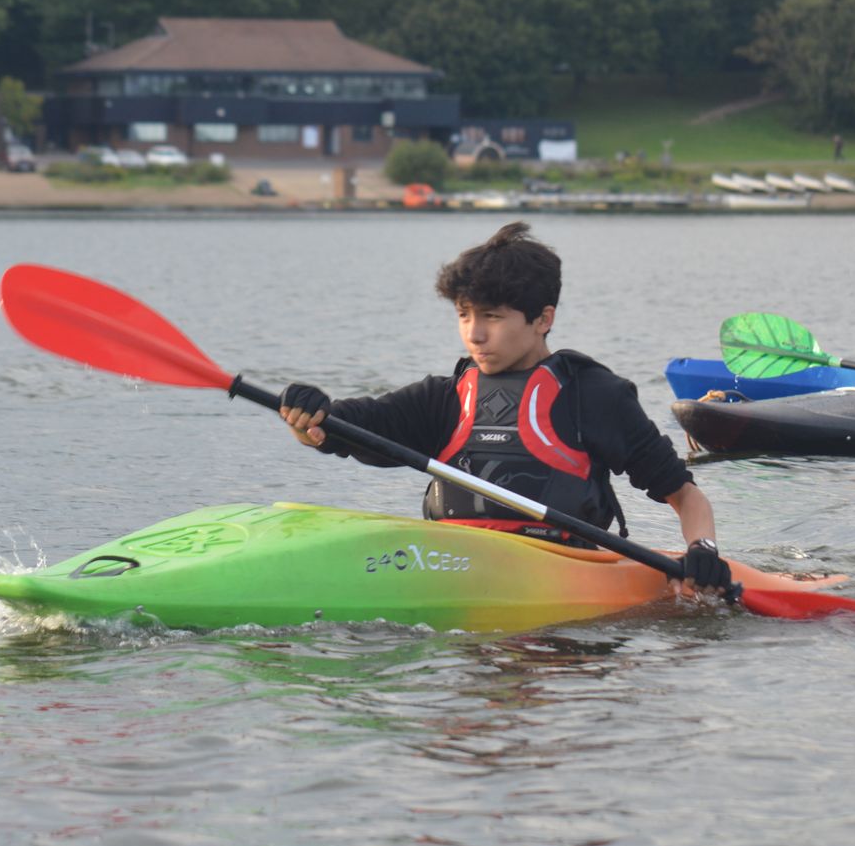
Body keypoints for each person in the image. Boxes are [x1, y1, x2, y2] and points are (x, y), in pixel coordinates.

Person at [276, 222, 738, 597]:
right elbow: (332, 431)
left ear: (543, 318)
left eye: (492, 317)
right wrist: (308, 416)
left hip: (561, 573)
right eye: (464, 315)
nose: (474, 334)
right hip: (451, 568)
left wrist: (703, 549)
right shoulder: (443, 398)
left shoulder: (593, 395)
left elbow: (685, 496)